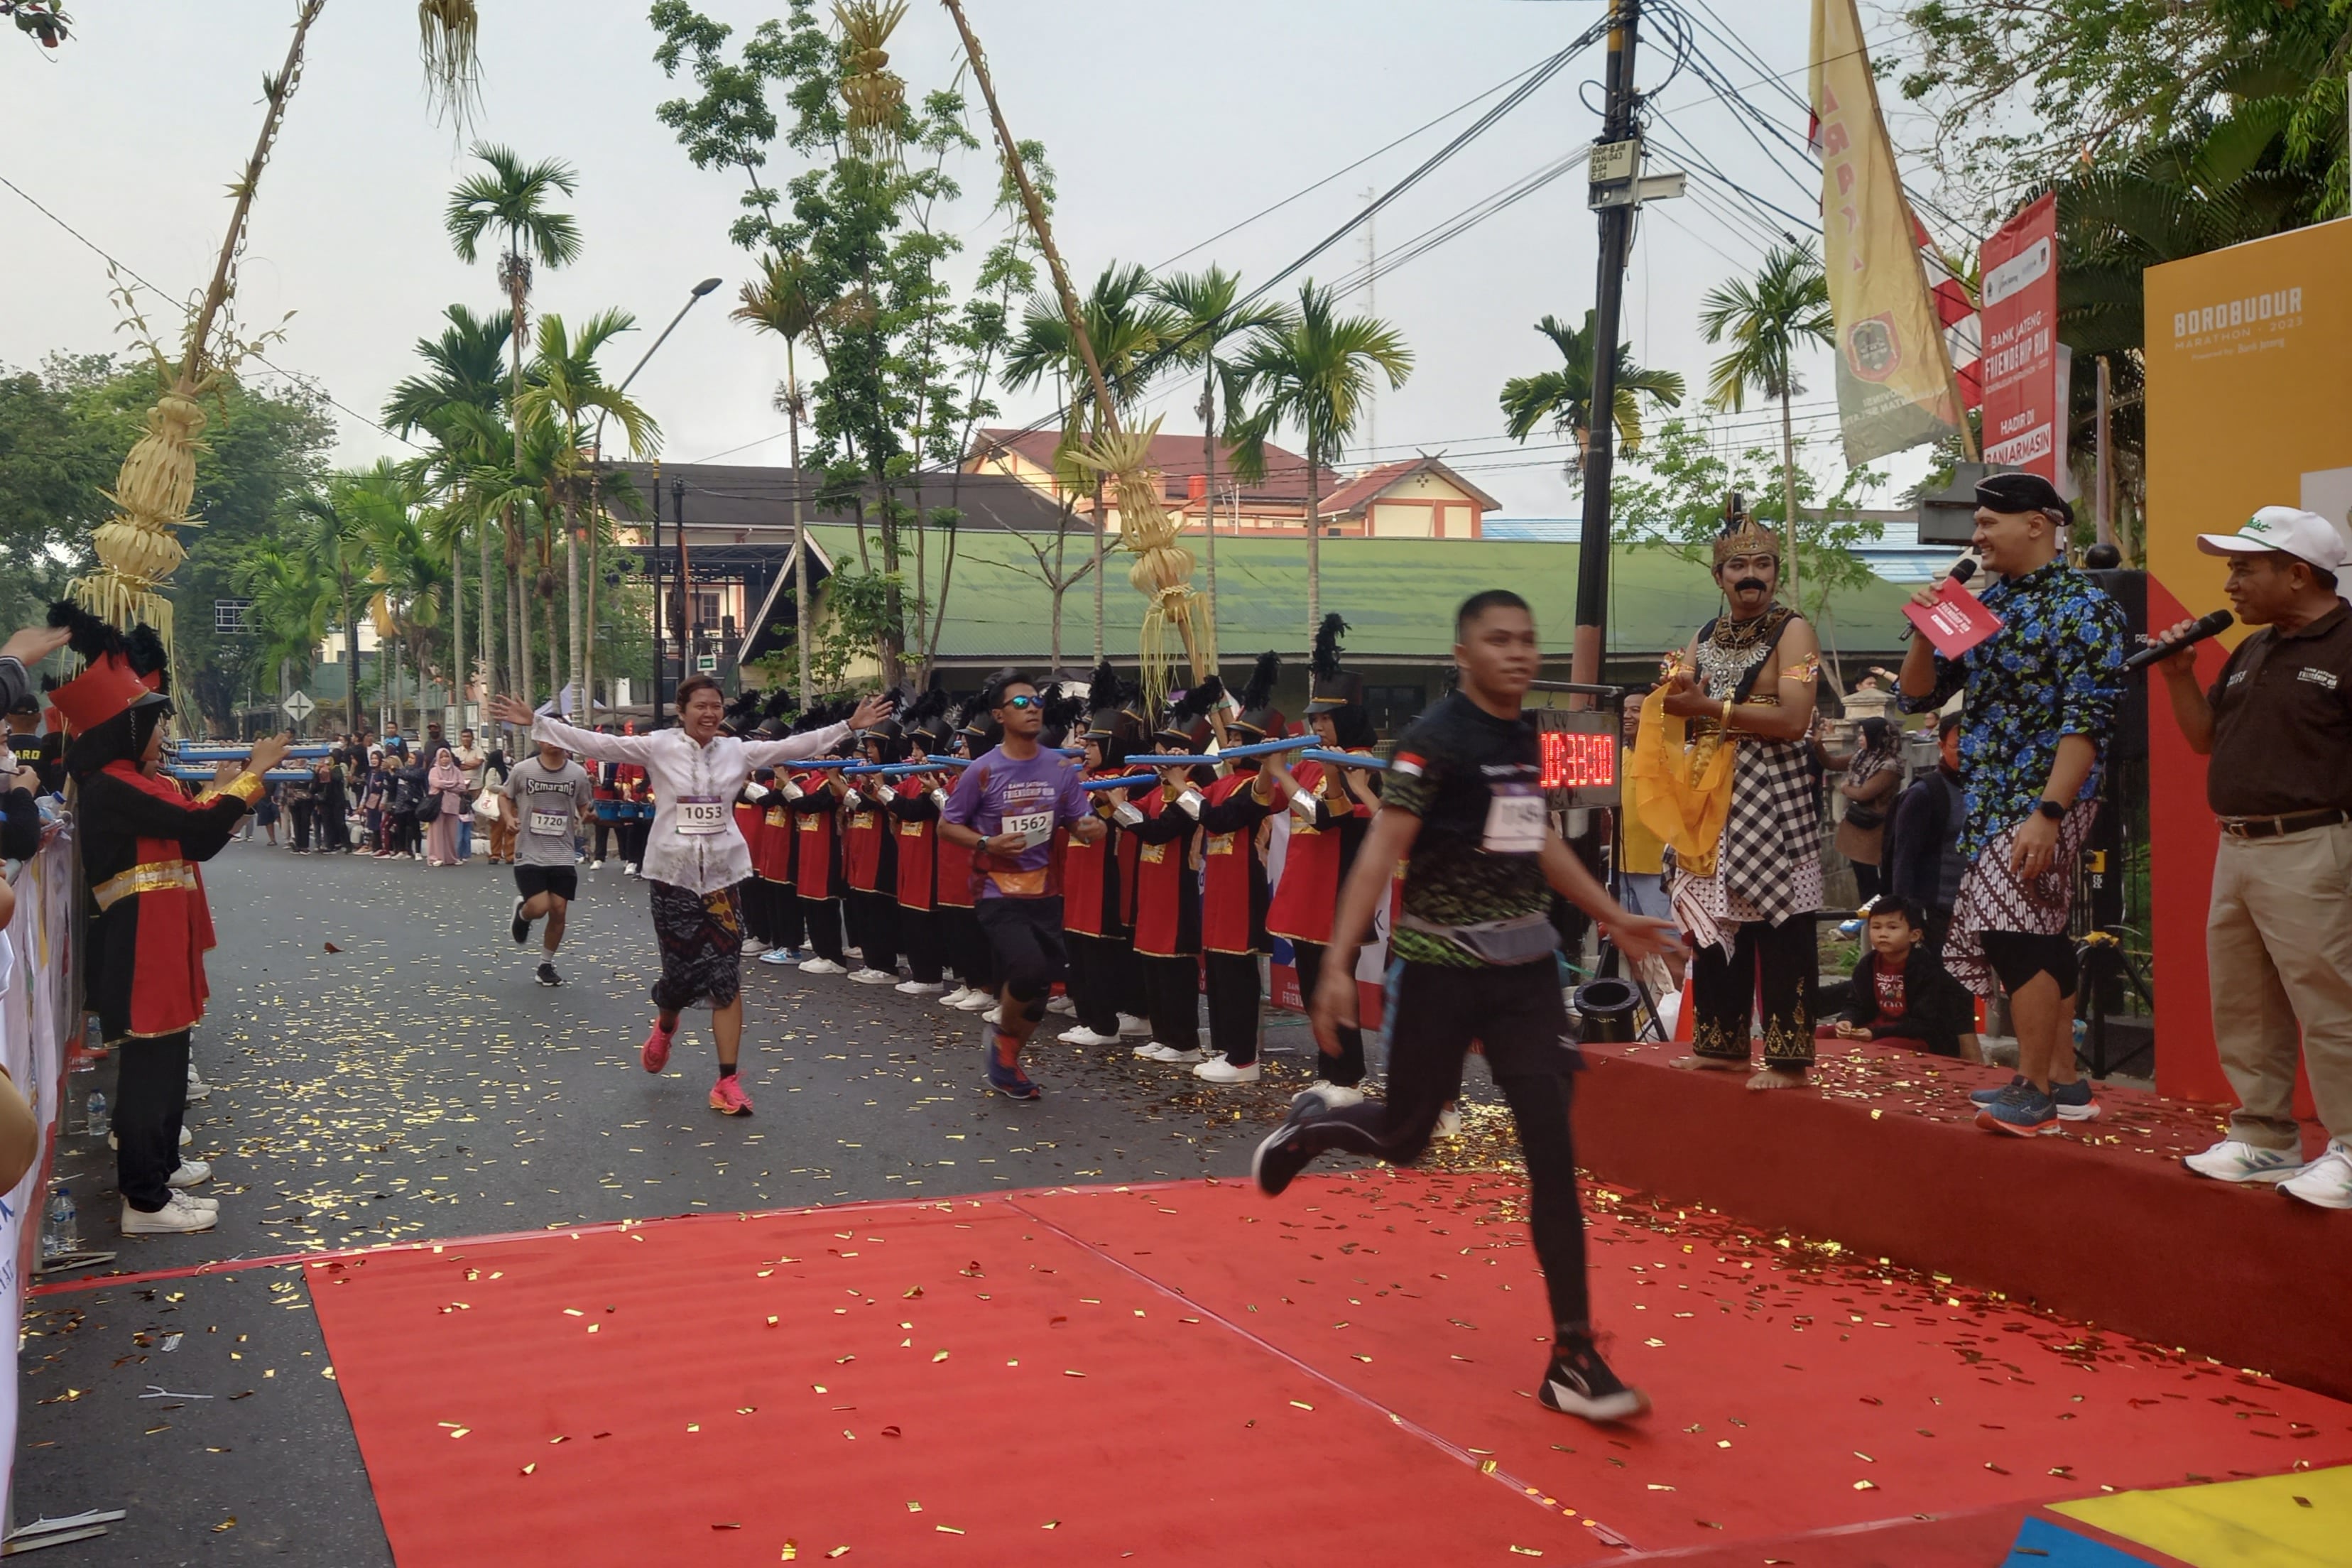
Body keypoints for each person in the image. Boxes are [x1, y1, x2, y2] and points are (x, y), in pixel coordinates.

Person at [1252, 589, 1685, 1423]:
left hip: (1525, 974)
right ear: (1464, 654)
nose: (1519, 653)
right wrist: (1338, 964)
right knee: (1406, 1136)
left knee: (1552, 1151)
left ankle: (1572, 1355)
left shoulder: (1533, 737)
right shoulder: (1432, 741)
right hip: (1439, 970)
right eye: (1499, 640)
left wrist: (1613, 915)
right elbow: (1383, 845)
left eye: (1528, 639)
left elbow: (1541, 838)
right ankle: (1314, 1126)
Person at [489, 681, 888, 1114]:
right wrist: (538, 722)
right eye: (701, 706)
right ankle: (665, 1023)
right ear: (682, 711)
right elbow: (599, 744)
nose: (710, 713)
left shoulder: (737, 751)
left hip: (722, 879)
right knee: (679, 978)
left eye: (717, 706)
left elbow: (795, 745)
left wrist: (848, 725)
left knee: (726, 979)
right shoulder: (658, 747)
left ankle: (727, 1081)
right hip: (672, 877)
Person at [1896, 471, 2126, 1136]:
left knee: (2013, 930)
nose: (1977, 535)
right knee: (2038, 930)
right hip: (1994, 794)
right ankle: (2065, 1082)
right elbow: (1917, 698)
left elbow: (2089, 720)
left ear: (2038, 523)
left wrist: (2051, 812)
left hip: (2048, 796)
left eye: (1989, 521)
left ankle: (2032, 1090)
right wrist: (1923, 628)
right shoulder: (1988, 602)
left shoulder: (2086, 606)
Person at [50, 605, 288, 1234]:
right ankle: (144, 1199)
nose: (161, 738)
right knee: (149, 1073)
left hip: (156, 937)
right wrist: (253, 776)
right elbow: (195, 833)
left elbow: (187, 827)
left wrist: (223, 789)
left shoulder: (128, 781)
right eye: (151, 726)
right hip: (138, 941)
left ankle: (157, 1178)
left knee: (166, 1063)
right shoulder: (112, 785)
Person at [2150, 506, 2352, 1207]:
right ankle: (2264, 1135)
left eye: (2245, 567)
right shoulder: (2254, 648)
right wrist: (2178, 674)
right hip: (2238, 846)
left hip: (2318, 845)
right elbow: (2207, 739)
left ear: (2298, 575)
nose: (2231, 582)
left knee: (2333, 1003)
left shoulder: (2348, 643)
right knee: (2246, 1001)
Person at [1631, 508, 1826, 1090]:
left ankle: (1790, 1061)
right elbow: (1682, 703)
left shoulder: (1798, 632)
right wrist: (1660, 705)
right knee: (1715, 921)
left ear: (1775, 573)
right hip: (1711, 794)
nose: (1752, 575)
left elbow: (1794, 718)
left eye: (1762, 564)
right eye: (1738, 565)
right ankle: (1721, 1046)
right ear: (1720, 577)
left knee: (1782, 926)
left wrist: (1710, 710)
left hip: (1776, 792)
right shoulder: (1702, 638)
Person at [937, 671, 1106, 1101]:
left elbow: (1080, 822)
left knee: (1042, 986)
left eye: (1035, 701)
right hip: (995, 888)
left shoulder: (1059, 768)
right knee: (1027, 968)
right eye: (1019, 703)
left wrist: (1093, 827)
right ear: (999, 715)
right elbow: (947, 825)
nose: (1031, 708)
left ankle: (1008, 1055)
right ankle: (1001, 1038)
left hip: (1044, 891)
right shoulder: (982, 770)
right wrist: (987, 842)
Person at [1264, 615, 1383, 1105]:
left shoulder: (1364, 764)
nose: (1316, 727)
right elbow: (1275, 803)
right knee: (1312, 983)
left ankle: (1349, 1075)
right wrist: (1269, 769)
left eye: (1325, 719)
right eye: (1313, 720)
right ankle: (1328, 1070)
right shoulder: (1313, 760)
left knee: (1339, 985)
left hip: (1338, 891)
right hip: (1304, 888)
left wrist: (1285, 776)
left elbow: (1328, 817)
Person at [1193, 653, 1284, 1085]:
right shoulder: (1220, 782)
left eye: (1234, 739)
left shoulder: (1255, 785)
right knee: (1221, 975)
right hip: (1218, 889)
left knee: (1239, 975)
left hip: (1242, 889)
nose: (1226, 745)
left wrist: (1183, 793)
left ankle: (1245, 1057)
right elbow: (1204, 806)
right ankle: (1228, 1051)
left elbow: (1221, 819)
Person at [1820, 896, 1976, 1058]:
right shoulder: (1867, 965)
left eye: (1892, 928)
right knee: (1818, 1037)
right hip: (1873, 1028)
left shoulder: (1926, 968)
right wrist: (1847, 1020)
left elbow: (1924, 1023)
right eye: (1876, 927)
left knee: (1875, 1051)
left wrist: (1875, 1033)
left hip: (1916, 1037)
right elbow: (1855, 1003)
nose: (1883, 934)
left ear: (1914, 935)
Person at [503, 734, 594, 986]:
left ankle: (545, 964)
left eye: (558, 735)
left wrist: (589, 814)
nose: (553, 741)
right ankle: (523, 913)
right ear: (537, 740)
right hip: (529, 851)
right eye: (547, 736)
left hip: (563, 852)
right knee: (540, 907)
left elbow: (584, 807)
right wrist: (509, 819)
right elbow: (505, 796)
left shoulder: (577, 774)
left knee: (559, 910)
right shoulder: (523, 770)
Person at [1883, 711, 1968, 957]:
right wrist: (1907, 914)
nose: (1969, 752)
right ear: (1941, 745)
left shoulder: (1987, 790)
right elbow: (1903, 857)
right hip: (1938, 912)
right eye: (1959, 746)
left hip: (1980, 909)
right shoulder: (1925, 793)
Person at [1833, 717, 1901, 904]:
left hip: (1875, 827)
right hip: (1857, 824)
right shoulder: (1861, 756)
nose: (1860, 738)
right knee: (1862, 878)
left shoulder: (1890, 765)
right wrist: (1816, 745)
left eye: (1864, 734)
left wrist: (1846, 788)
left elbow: (1864, 794)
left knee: (1873, 881)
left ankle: (1876, 922)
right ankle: (1867, 924)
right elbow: (1832, 763)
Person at [425, 745, 466, 866]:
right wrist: (453, 784)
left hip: (452, 805)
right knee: (436, 832)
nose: (445, 759)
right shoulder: (434, 770)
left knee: (451, 832)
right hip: (438, 805)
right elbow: (435, 783)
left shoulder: (456, 771)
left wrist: (446, 785)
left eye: (447, 756)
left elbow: (462, 787)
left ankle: (451, 858)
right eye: (442, 757)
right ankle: (436, 857)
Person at [479, 746, 516, 864]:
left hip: (511, 802)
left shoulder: (509, 769)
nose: (506, 757)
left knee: (511, 829)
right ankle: (495, 854)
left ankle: (510, 855)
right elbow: (490, 785)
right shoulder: (493, 770)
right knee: (497, 830)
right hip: (498, 802)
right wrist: (507, 789)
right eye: (504, 755)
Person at [454, 728, 486, 862]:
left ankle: (480, 831)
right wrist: (468, 765)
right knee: (463, 810)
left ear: (472, 738)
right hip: (461, 786)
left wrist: (464, 765)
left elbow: (478, 763)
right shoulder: (457, 751)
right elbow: (456, 766)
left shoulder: (478, 750)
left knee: (477, 809)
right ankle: (469, 831)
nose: (466, 739)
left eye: (468, 736)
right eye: (463, 736)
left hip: (476, 784)